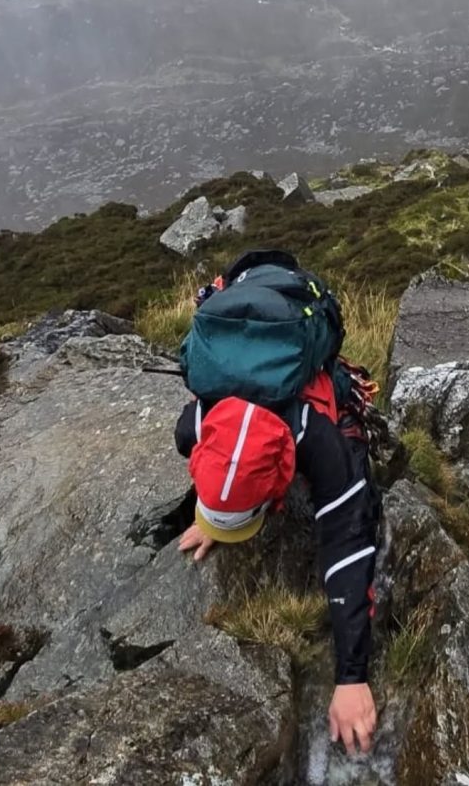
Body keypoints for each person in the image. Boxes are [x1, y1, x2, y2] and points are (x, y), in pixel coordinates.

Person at [172, 251, 380, 756]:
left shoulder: (315, 437)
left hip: (295, 299)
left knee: (354, 456)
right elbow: (213, 461)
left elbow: (348, 545)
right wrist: (213, 516)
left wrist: (351, 678)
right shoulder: (192, 429)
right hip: (248, 289)